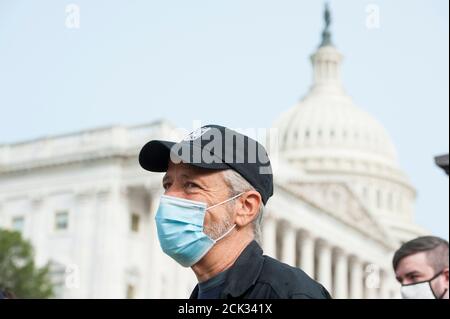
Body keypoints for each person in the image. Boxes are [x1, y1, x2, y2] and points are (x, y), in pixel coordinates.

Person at [139, 124, 331, 299]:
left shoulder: (291, 294)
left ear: (245, 207)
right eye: (167, 184)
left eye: (191, 185)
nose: (169, 197)